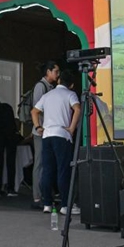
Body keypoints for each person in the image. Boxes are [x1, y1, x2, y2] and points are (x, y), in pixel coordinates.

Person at [31, 69, 81, 215]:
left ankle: (47, 203)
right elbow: (77, 109)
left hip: (47, 135)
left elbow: (34, 111)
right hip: (62, 135)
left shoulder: (47, 95)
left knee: (47, 170)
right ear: (71, 85)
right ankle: (65, 205)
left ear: (59, 81)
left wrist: (38, 127)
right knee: (63, 170)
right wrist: (71, 128)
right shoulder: (70, 94)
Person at [30, 61, 59, 209]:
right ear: (48, 72)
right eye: (55, 71)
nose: (57, 74)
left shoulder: (51, 87)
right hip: (40, 130)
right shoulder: (40, 87)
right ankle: (37, 196)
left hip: (48, 131)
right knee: (40, 163)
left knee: (47, 163)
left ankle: (47, 193)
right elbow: (37, 109)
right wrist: (39, 126)